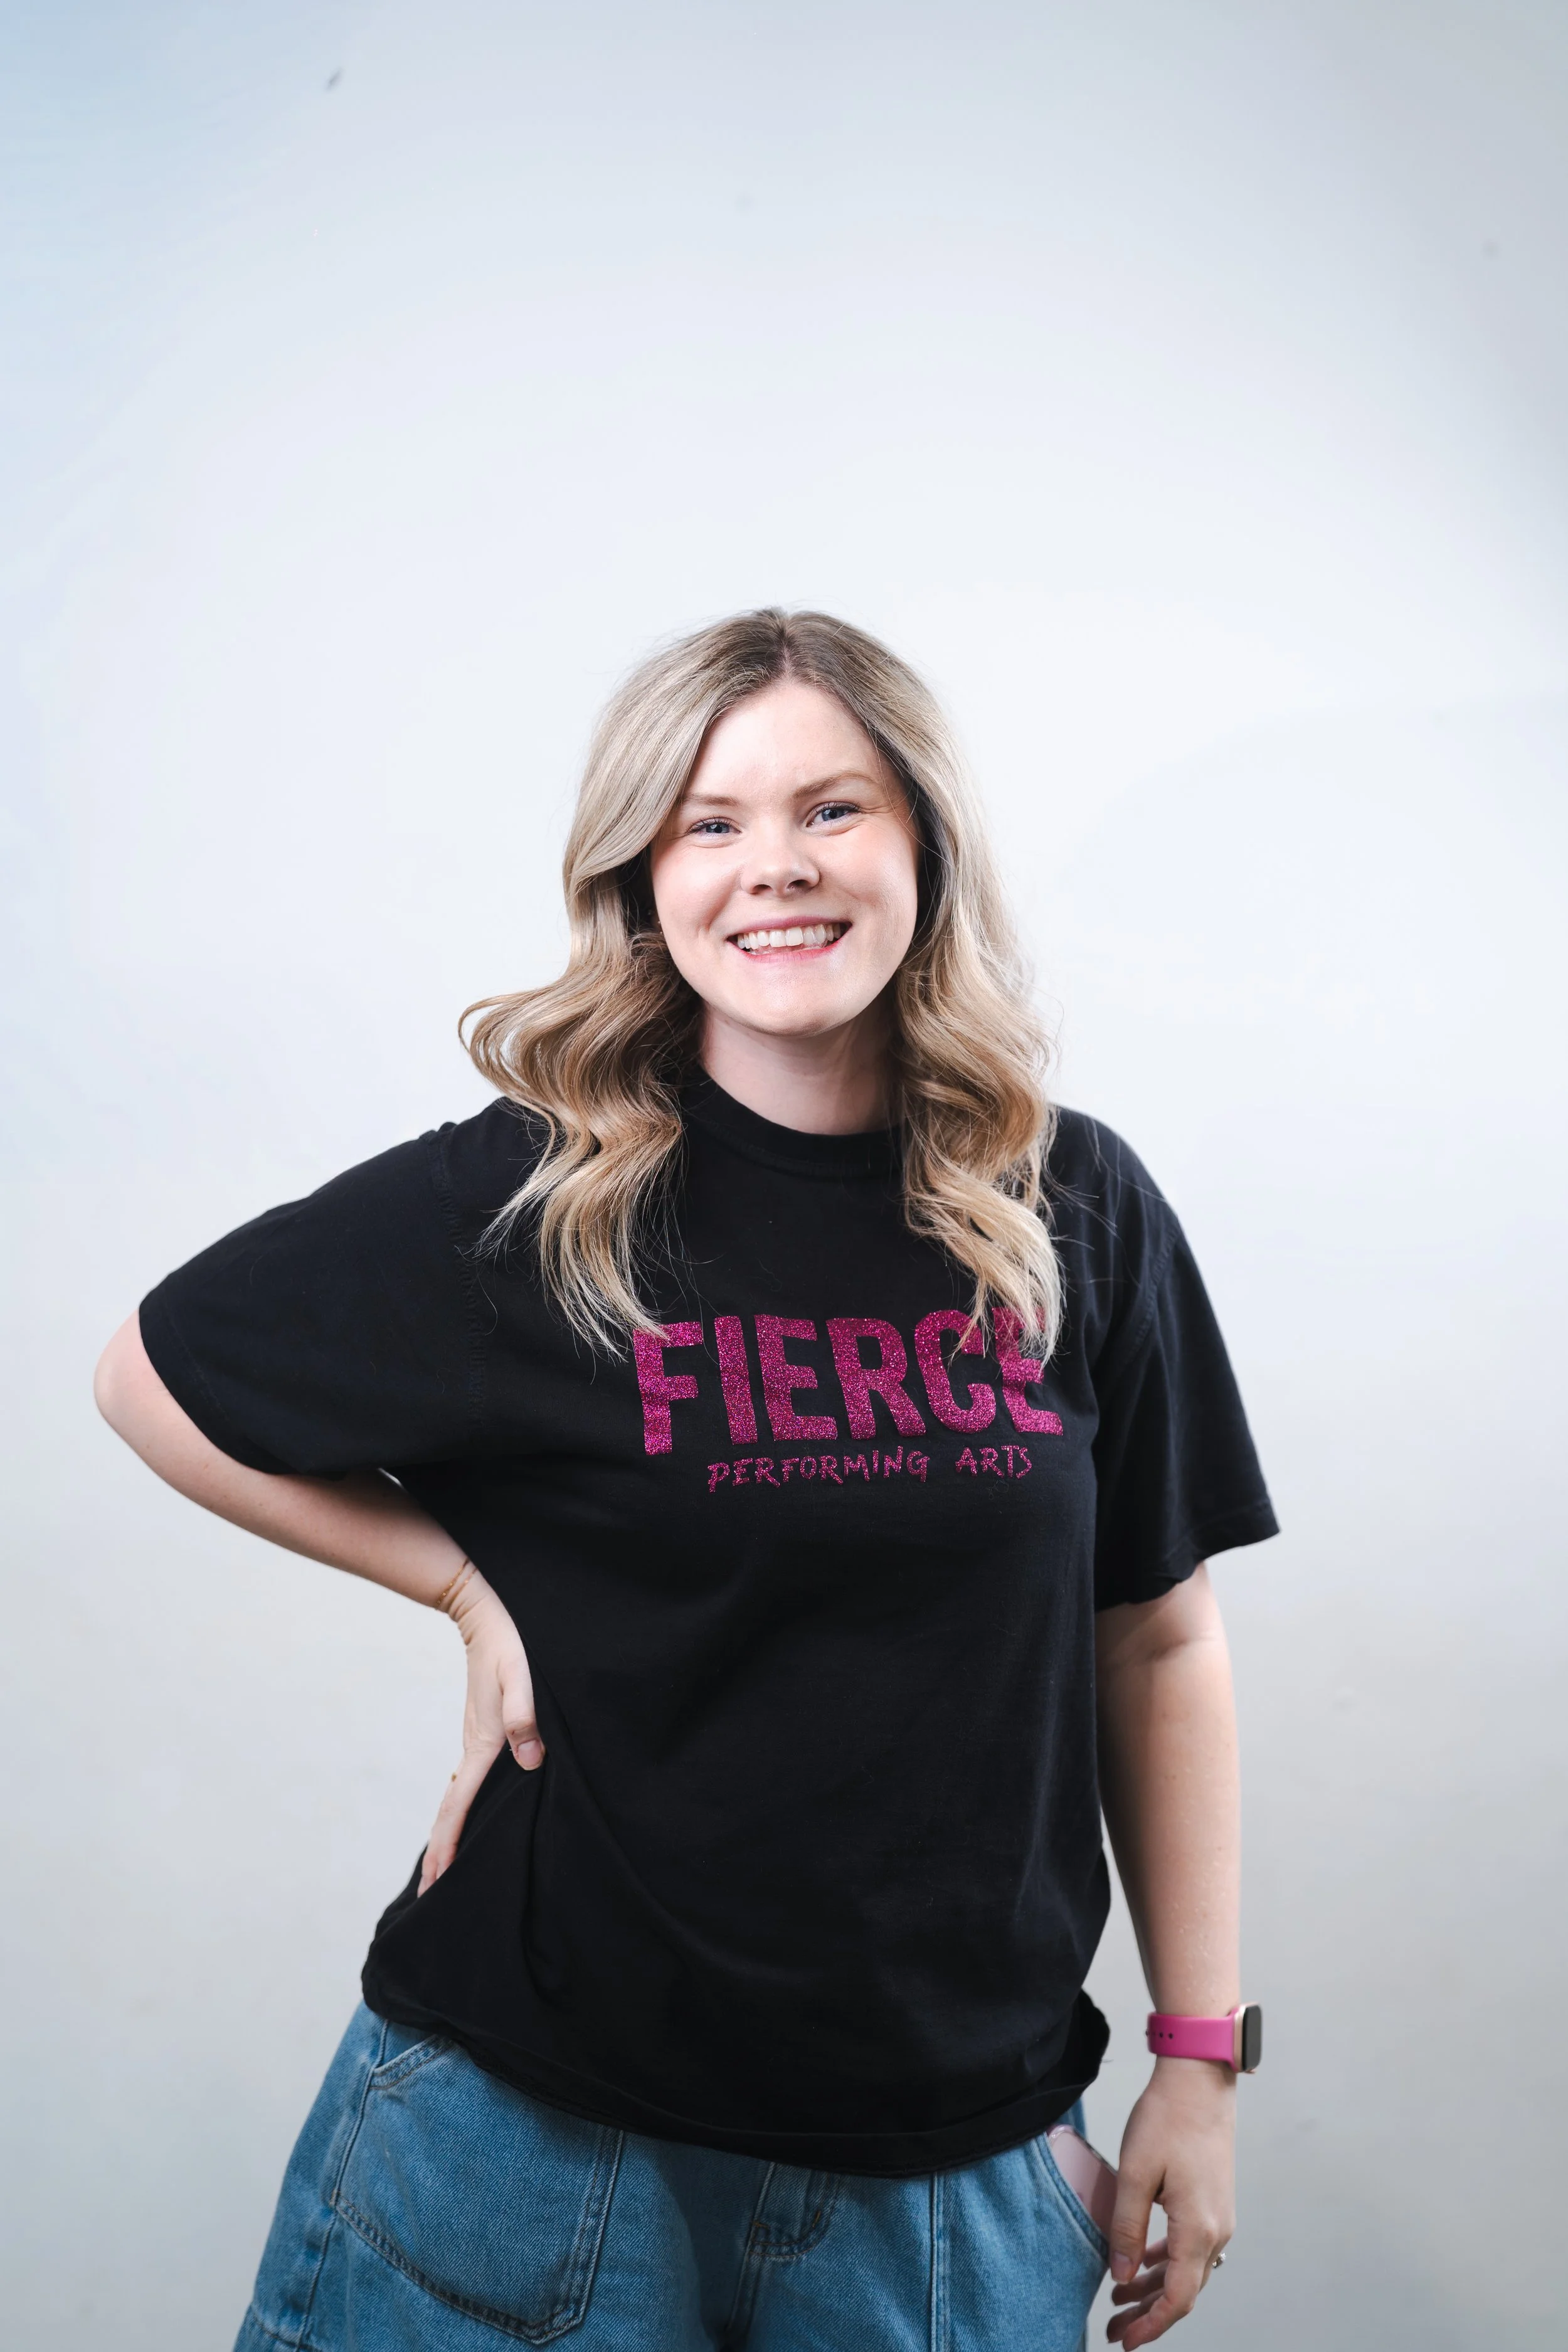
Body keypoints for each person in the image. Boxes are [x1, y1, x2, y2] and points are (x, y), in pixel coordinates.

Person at [95, 608, 1277, 2352]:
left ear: (923, 847)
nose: (773, 868)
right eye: (708, 822)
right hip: (525, 2146)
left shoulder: (1068, 1207)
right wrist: (457, 1580)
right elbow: (151, 1369)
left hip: (943, 2189)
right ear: (639, 878)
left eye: (833, 808)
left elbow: (1156, 1643)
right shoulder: (534, 1205)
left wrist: (1197, 2057)